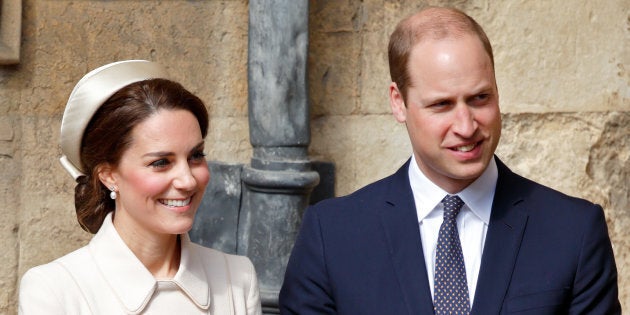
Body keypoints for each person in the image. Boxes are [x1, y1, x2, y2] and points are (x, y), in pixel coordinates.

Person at [279, 7, 620, 315]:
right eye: (441, 104)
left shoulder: (573, 232)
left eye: (480, 98)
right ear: (399, 102)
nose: (466, 126)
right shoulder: (333, 235)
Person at [19, 60, 262, 314]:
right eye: (160, 162)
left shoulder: (237, 279)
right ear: (108, 175)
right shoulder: (54, 291)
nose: (188, 180)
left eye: (196, 156)